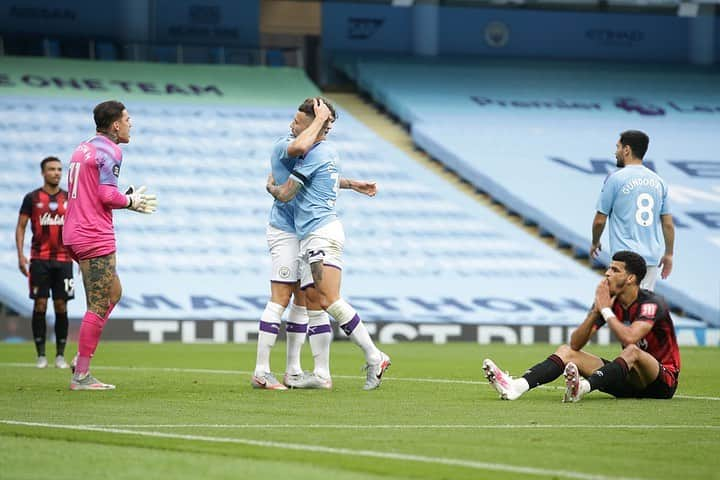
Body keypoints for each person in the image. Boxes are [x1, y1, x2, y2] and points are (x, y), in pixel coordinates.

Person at [253, 97, 378, 390]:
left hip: (308, 230)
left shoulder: (321, 150)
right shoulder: (285, 144)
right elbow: (300, 151)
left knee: (307, 298)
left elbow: (316, 172)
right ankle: (261, 370)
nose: (290, 125)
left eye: (297, 122)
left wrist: (351, 183)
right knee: (282, 296)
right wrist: (318, 122)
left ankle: (298, 370)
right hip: (285, 228)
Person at [483, 250, 680, 402]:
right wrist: (597, 311)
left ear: (631, 278)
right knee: (567, 351)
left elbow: (630, 338)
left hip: (661, 382)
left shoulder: (652, 303)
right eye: (609, 268)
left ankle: (582, 388)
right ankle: (516, 386)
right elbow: (576, 343)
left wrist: (606, 311)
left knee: (632, 351)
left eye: (615, 270)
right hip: (629, 380)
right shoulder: (608, 301)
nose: (607, 273)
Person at [63, 100, 157, 391]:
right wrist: (130, 200)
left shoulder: (85, 147)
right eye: (128, 119)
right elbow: (106, 195)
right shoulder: (110, 150)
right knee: (100, 302)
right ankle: (81, 375)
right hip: (93, 234)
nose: (131, 124)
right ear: (116, 125)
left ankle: (81, 360)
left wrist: (123, 197)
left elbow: (94, 190)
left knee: (113, 293)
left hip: (73, 230)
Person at [591, 130, 675, 291]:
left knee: (616, 311)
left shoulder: (616, 179)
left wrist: (595, 242)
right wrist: (669, 254)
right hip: (650, 261)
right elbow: (668, 225)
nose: (616, 152)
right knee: (642, 311)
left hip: (624, 260)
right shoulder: (659, 182)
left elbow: (599, 220)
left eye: (618, 147)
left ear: (626, 150)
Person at [16, 156, 74, 369]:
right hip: (39, 259)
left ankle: (60, 355)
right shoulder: (32, 198)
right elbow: (21, 226)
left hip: (64, 260)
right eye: (52, 169)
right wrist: (21, 255)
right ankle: (41, 354)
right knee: (40, 303)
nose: (57, 173)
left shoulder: (69, 198)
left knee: (61, 304)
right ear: (43, 172)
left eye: (59, 169)